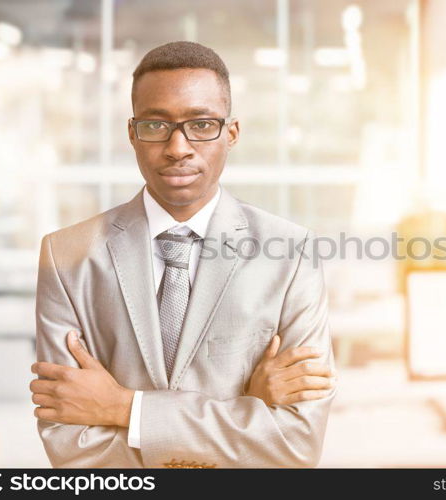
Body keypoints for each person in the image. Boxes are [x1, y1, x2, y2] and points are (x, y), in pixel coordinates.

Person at [29, 41, 336, 468]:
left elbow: (296, 445)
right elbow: (72, 448)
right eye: (156, 126)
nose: (178, 147)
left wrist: (123, 409)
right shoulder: (66, 255)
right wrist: (246, 409)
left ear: (231, 133)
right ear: (131, 133)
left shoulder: (292, 254)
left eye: (202, 124)